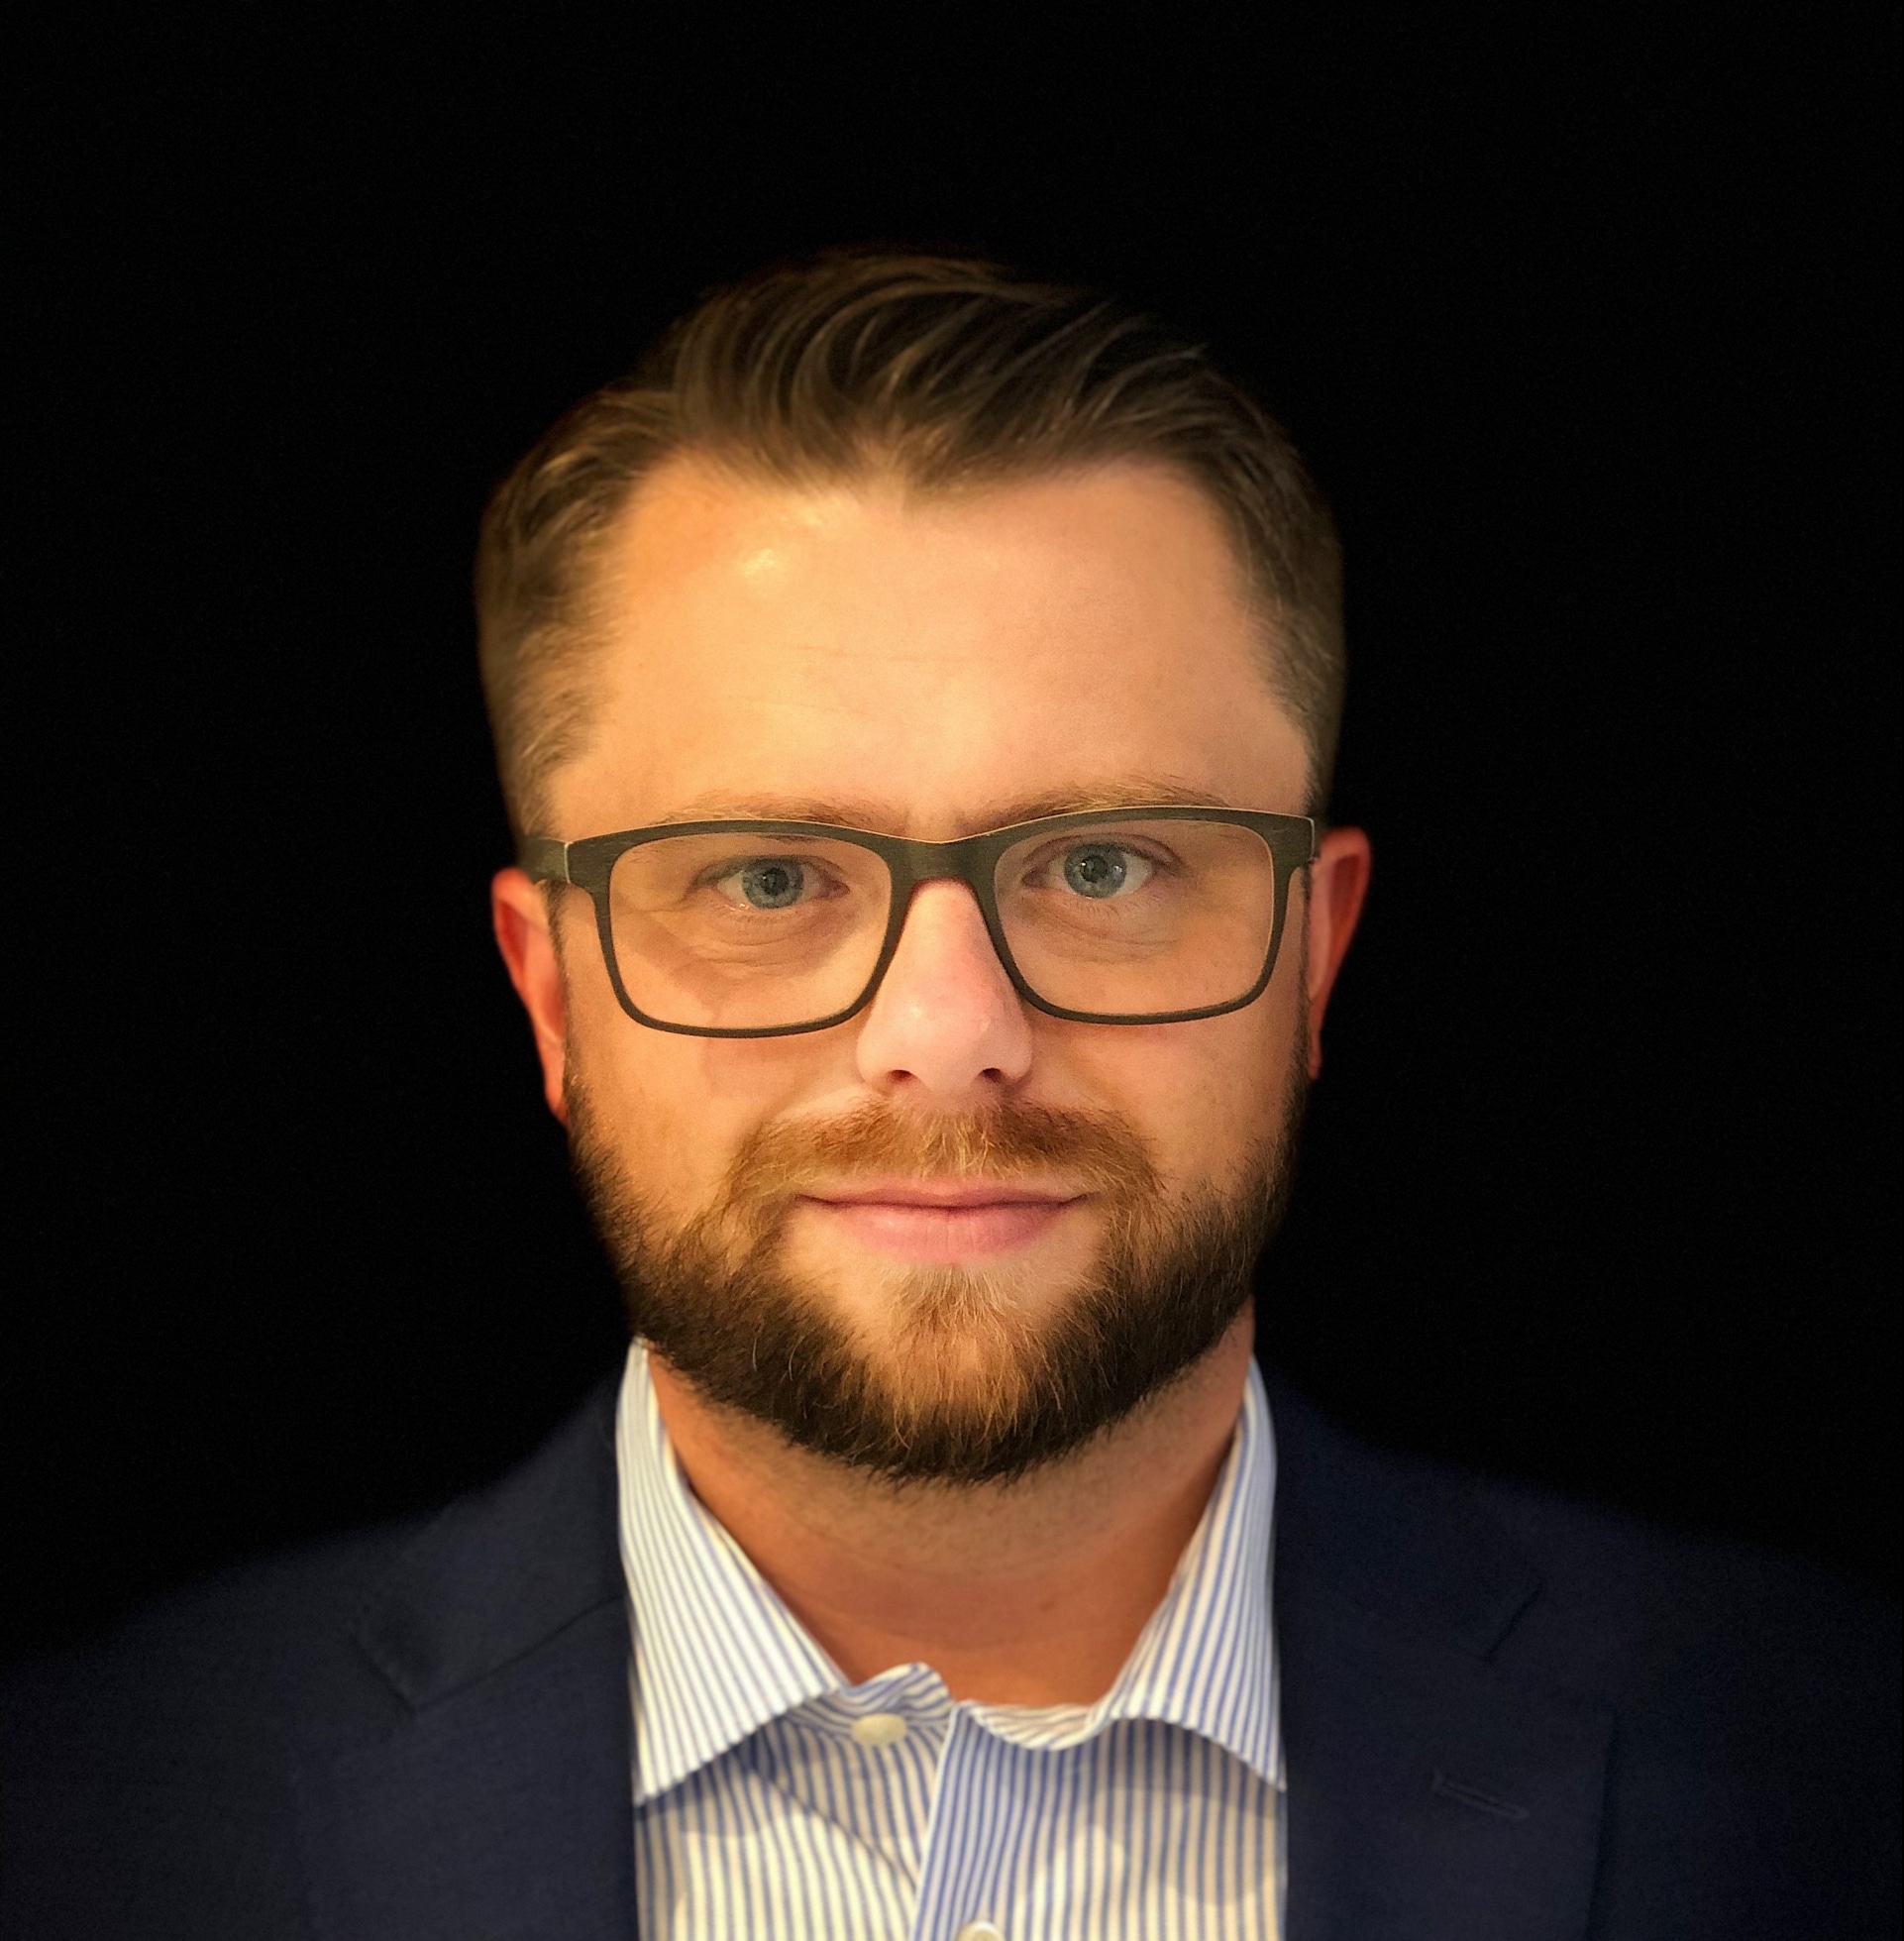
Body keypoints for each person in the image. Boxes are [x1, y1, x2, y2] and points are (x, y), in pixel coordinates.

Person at [3, 252, 1894, 1940]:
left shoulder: (1831, 1769)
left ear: (1313, 962)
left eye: (1102, 867)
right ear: (550, 992)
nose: (945, 1032)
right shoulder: (79, 1816)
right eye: (763, 879)